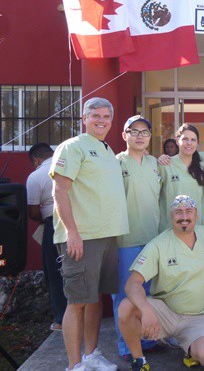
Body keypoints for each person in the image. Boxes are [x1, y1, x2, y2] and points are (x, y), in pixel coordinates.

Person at [50, 97, 128, 371]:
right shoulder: (73, 147)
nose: (101, 120)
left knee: (95, 299)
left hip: (107, 237)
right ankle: (74, 365)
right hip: (82, 238)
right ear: (84, 118)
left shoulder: (106, 149)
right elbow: (60, 190)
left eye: (107, 116)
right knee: (78, 302)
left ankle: (92, 355)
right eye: (95, 115)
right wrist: (72, 232)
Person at [118, 195, 204, 371]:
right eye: (178, 212)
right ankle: (139, 361)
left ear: (196, 214)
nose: (184, 216)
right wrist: (146, 309)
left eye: (189, 211)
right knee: (126, 307)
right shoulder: (158, 244)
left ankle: (187, 346)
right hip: (165, 313)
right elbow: (132, 284)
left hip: (199, 316)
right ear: (171, 216)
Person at [113, 115, 161, 359]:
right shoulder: (115, 164)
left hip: (152, 239)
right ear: (124, 135)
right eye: (134, 131)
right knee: (125, 295)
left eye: (145, 132)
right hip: (126, 239)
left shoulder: (156, 163)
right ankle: (127, 346)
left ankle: (148, 342)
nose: (140, 136)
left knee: (149, 293)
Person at [27, 142, 67, 332]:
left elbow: (33, 213)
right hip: (79, 222)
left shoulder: (35, 177)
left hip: (53, 224)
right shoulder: (68, 166)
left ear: (36, 160)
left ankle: (61, 319)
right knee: (78, 271)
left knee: (55, 271)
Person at [157, 123, 204, 233]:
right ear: (177, 141)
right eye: (185, 139)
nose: (189, 143)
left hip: (195, 228)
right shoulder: (165, 165)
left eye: (193, 140)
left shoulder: (202, 167)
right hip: (170, 228)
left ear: (197, 143)